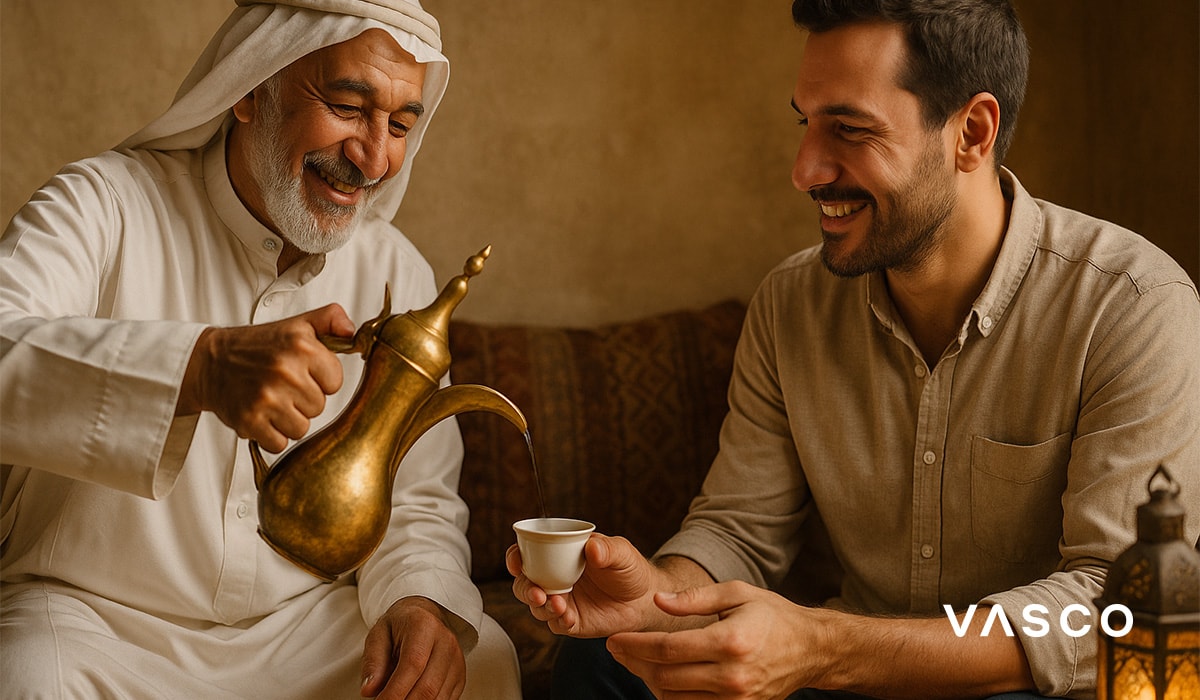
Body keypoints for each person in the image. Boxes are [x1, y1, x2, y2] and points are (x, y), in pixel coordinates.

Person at [508, 1, 1200, 698]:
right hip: (840, 681)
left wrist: (825, 647)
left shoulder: (1132, 305)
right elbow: (742, 530)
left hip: (1014, 689)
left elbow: (1110, 605)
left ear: (972, 132)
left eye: (849, 129)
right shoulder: (790, 305)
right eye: (805, 123)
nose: (805, 169)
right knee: (604, 658)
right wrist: (658, 597)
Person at [0, 1, 521, 698]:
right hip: (98, 629)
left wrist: (418, 602)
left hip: (304, 635)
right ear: (251, 87)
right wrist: (199, 369)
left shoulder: (399, 276)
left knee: (480, 660)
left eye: (399, 125)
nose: (372, 158)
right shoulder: (103, 206)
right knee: (26, 678)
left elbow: (419, 498)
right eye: (346, 105)